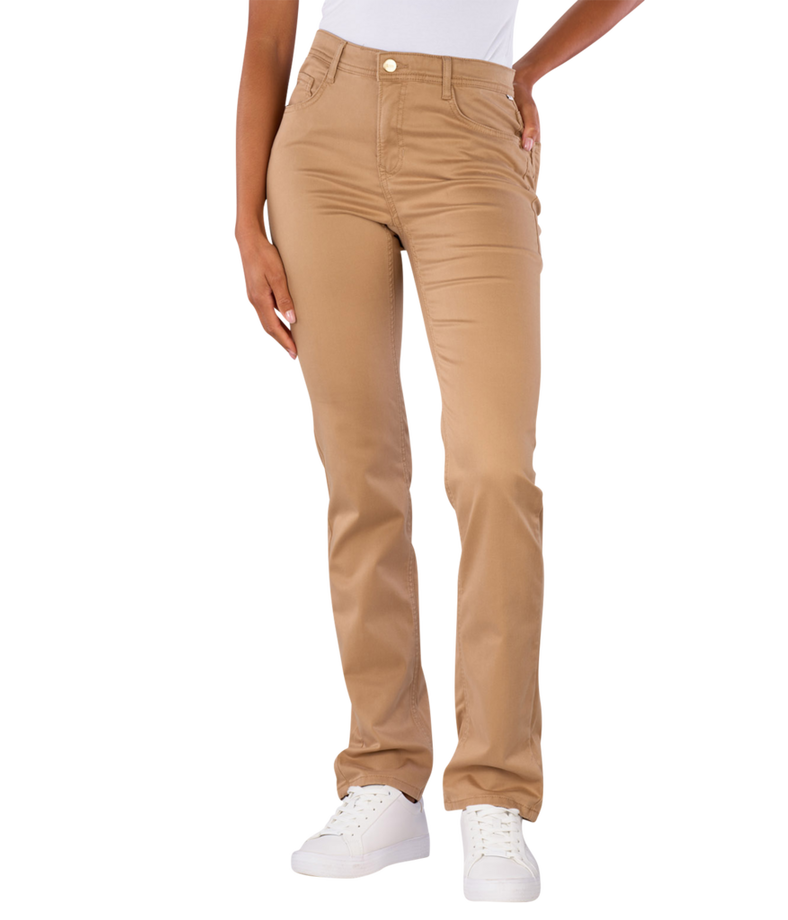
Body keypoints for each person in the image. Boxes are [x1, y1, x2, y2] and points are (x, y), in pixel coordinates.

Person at [233, 0, 648, 904]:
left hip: (472, 129)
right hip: (323, 133)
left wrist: (528, 71)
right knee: (360, 469)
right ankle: (383, 776)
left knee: (495, 469)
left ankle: (493, 788)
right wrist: (244, 223)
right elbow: (268, 33)